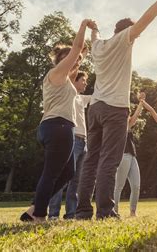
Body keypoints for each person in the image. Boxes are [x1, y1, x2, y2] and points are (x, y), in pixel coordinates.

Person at [76, 0, 157, 220]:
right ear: (128, 31)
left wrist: (94, 27)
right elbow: (147, 18)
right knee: (109, 160)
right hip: (115, 108)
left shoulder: (98, 46)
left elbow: (95, 35)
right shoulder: (124, 39)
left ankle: (82, 211)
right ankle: (106, 211)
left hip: (96, 108)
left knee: (91, 160)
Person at [20, 19, 93, 222]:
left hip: (56, 127)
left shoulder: (64, 79)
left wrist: (81, 55)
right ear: (62, 60)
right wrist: (84, 25)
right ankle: (40, 215)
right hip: (58, 126)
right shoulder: (56, 73)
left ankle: (34, 209)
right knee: (51, 173)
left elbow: (78, 57)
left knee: (68, 172)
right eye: (70, 58)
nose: (75, 61)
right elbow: (77, 49)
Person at [47, 71, 90, 220]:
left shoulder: (82, 99)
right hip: (72, 139)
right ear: (75, 80)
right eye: (83, 80)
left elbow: (99, 95)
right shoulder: (68, 95)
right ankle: (53, 214)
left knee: (76, 181)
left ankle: (71, 214)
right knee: (62, 177)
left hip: (84, 142)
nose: (85, 83)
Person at [113, 92, 145, 217]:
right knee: (119, 186)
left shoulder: (128, 124)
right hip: (123, 156)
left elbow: (135, 116)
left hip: (132, 156)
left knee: (136, 186)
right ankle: (114, 210)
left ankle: (133, 211)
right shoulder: (118, 126)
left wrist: (141, 102)